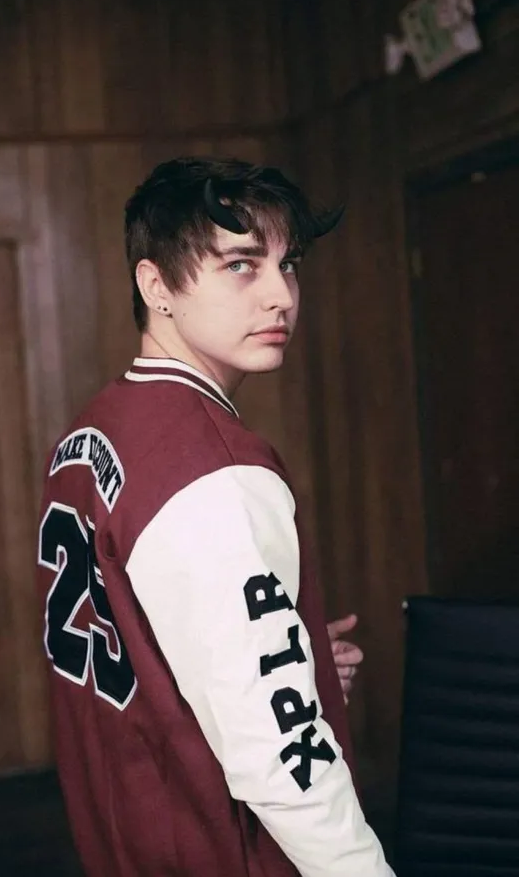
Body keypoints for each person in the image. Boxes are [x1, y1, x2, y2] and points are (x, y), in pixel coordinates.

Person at [36, 157, 394, 876]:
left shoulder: (97, 428)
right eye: (240, 266)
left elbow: (141, 637)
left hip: (129, 839)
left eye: (287, 265)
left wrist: (280, 658)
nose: (280, 296)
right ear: (156, 286)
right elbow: (277, 759)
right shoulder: (213, 470)